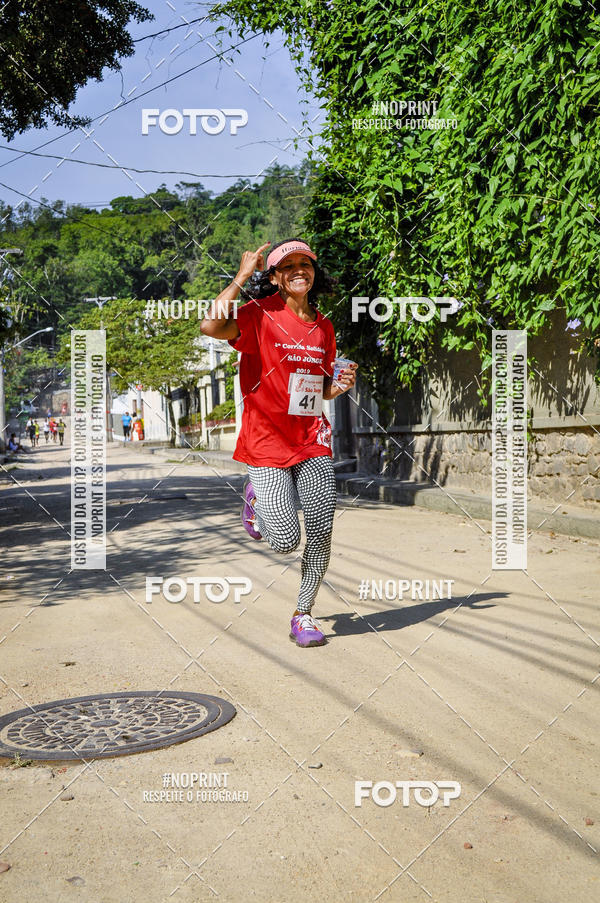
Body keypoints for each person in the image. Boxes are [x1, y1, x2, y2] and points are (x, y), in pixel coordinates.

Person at [200, 238, 357, 647]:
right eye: (288, 266)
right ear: (275, 278)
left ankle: (303, 614)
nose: (299, 270)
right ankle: (253, 498)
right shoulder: (258, 314)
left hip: (311, 438)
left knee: (321, 531)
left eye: (306, 263)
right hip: (266, 440)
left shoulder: (324, 327)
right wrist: (241, 276)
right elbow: (210, 326)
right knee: (286, 541)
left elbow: (318, 388)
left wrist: (337, 387)